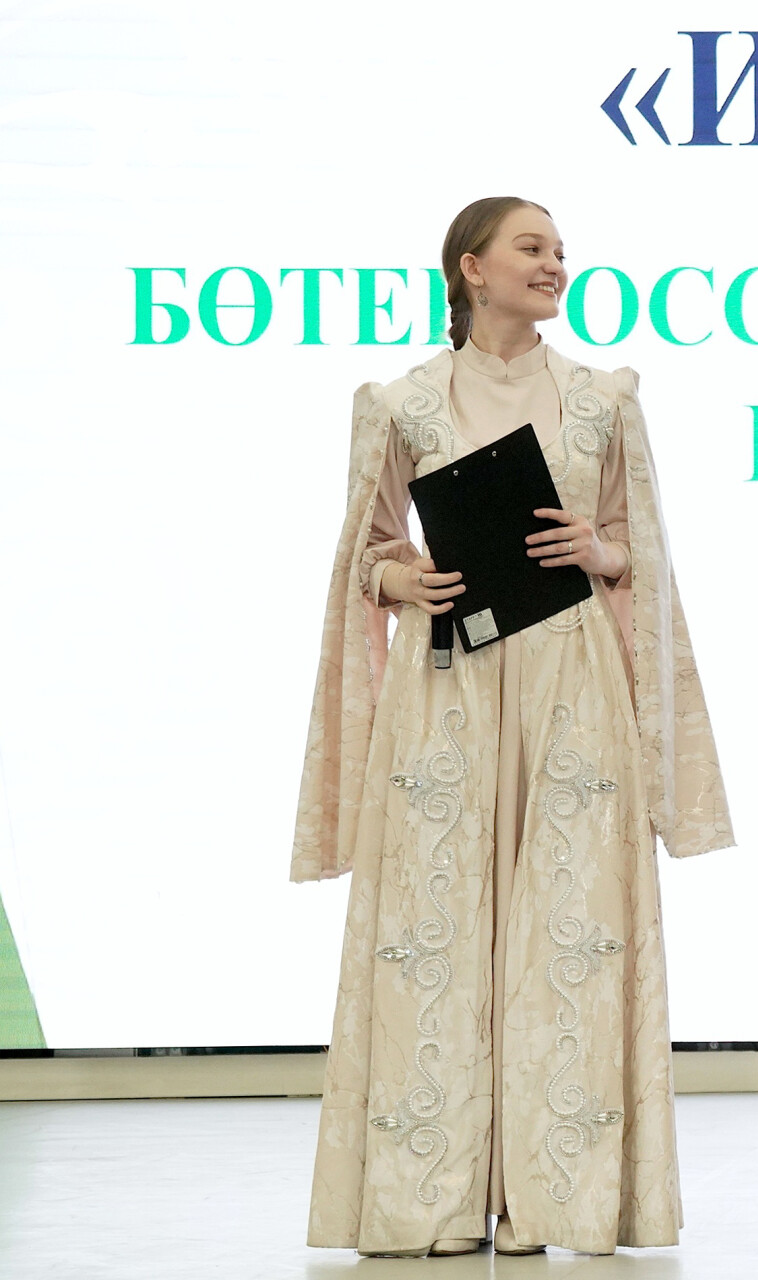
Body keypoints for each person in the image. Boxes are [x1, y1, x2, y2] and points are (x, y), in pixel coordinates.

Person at [290, 197, 732, 1257]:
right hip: (448, 683)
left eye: (561, 252)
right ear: (471, 268)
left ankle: (554, 1197)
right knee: (439, 924)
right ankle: (434, 1197)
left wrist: (601, 551)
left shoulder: (602, 398)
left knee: (565, 926)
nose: (555, 265)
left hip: (570, 677)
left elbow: (641, 547)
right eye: (532, 248)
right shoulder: (400, 402)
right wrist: (401, 577)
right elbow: (363, 551)